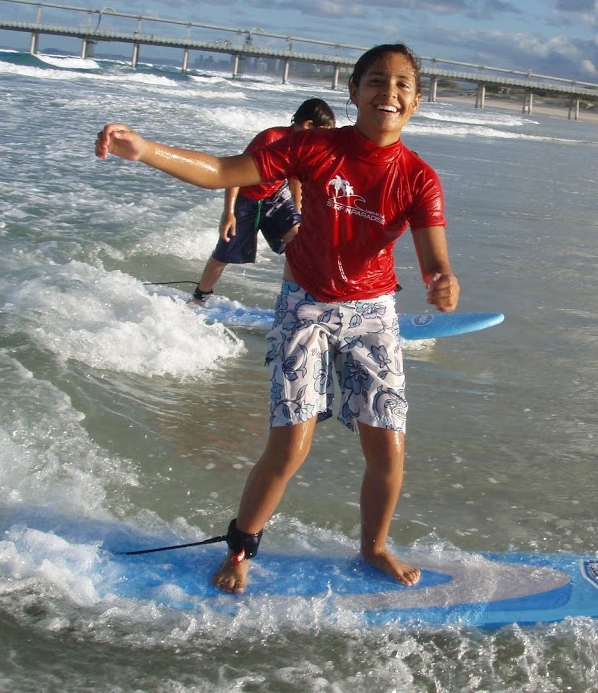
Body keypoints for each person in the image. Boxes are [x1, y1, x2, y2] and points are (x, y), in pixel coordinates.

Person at [95, 43, 460, 592]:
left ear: (416, 101)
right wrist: (146, 149)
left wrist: (441, 281)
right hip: (305, 304)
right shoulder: (312, 148)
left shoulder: (418, 177)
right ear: (355, 91)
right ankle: (241, 547)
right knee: (290, 444)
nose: (390, 91)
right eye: (377, 81)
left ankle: (375, 546)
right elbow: (223, 171)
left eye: (403, 84)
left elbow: (435, 258)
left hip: (372, 312)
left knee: (388, 446)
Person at [191, 98, 336, 304]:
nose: (323, 139)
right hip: (246, 198)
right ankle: (200, 296)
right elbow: (234, 173)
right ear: (308, 125)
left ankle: (297, 298)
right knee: (224, 254)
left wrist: (299, 212)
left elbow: (295, 179)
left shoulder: (304, 145)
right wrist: (229, 213)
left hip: (275, 196)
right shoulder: (271, 138)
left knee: (298, 243)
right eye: (322, 132)